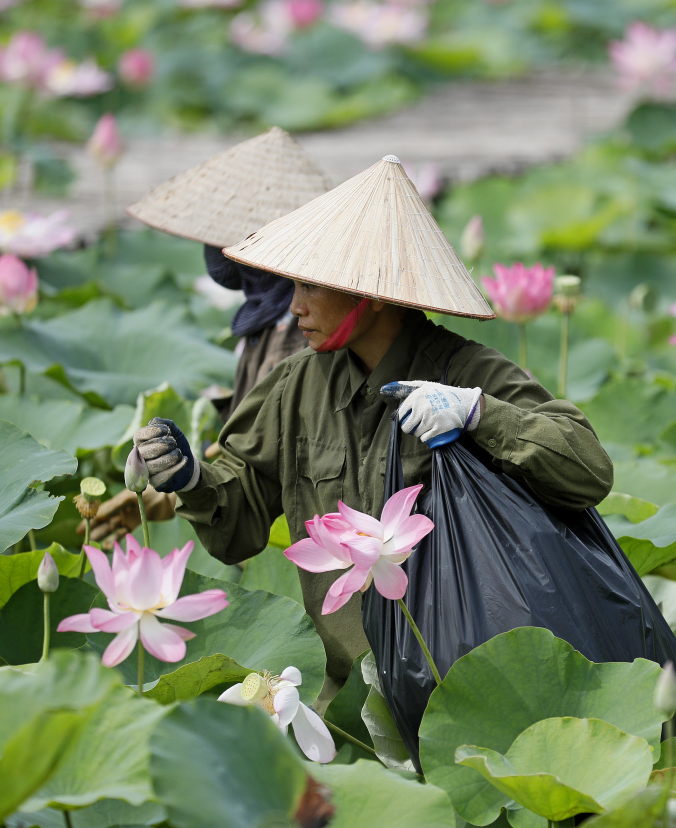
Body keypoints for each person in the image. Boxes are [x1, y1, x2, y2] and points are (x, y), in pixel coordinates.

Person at [131, 155, 615, 705]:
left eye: (312, 286)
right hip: (350, 692)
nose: (295, 307)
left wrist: (479, 413)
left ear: (370, 290)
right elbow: (237, 527)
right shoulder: (293, 386)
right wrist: (192, 477)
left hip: (474, 689)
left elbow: (589, 469)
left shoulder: (468, 373)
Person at [91, 127, 327, 542]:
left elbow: (265, 458)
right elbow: (256, 440)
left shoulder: (304, 330)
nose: (213, 245)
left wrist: (177, 491)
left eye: (225, 232)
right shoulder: (264, 318)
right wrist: (161, 494)